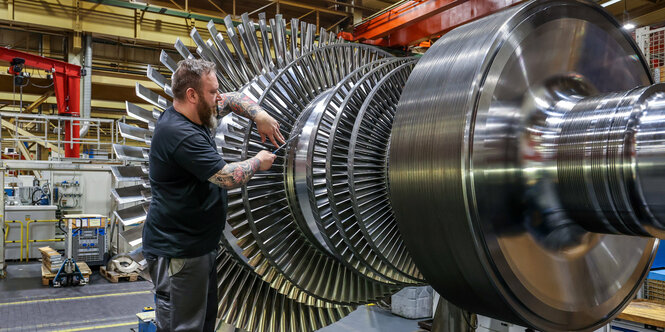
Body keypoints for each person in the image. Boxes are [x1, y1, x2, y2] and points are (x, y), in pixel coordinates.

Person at [142, 58, 283, 332]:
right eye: (211, 92)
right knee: (182, 326)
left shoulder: (196, 112)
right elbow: (227, 176)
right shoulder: (180, 134)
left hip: (198, 247)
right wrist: (258, 161)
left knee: (202, 323)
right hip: (178, 252)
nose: (218, 97)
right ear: (191, 95)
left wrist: (260, 115)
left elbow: (231, 99)